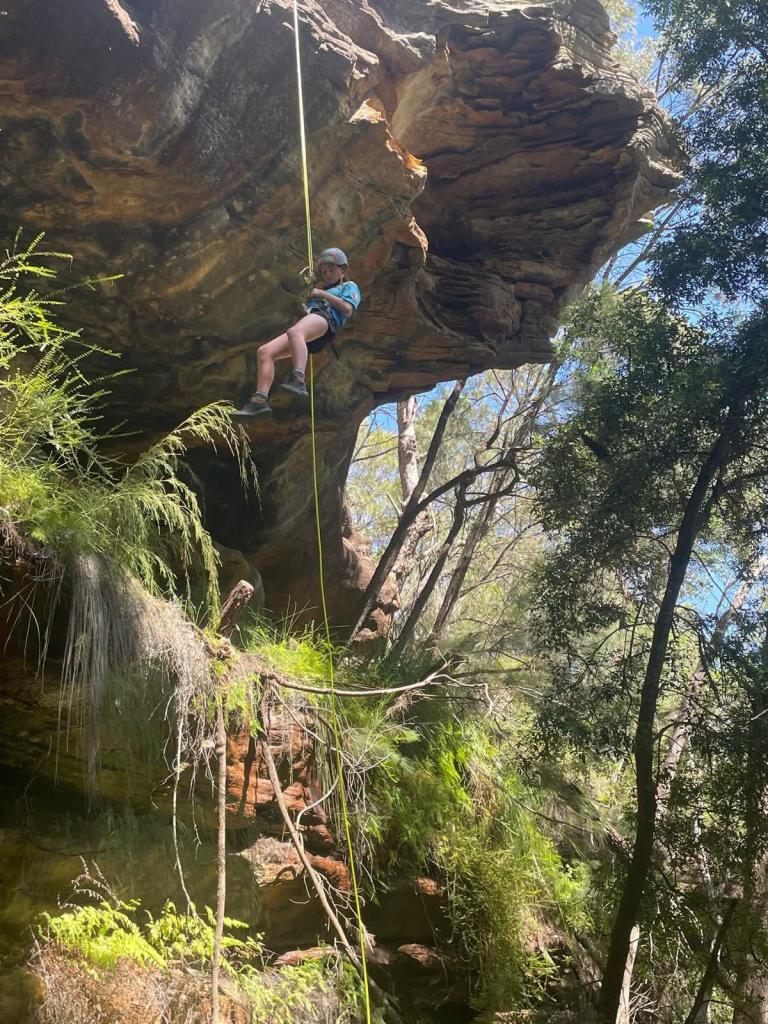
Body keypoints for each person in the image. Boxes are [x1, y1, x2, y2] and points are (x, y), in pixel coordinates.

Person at [235, 247, 362, 416]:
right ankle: (259, 399)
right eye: (324, 272)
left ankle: (299, 379)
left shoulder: (349, 286)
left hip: (327, 321)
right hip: (313, 323)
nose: (327, 274)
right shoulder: (320, 292)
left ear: (343, 269)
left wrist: (321, 294)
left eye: (331, 270)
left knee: (294, 332)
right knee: (265, 352)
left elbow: (347, 309)